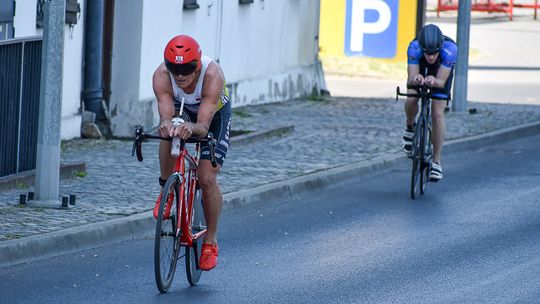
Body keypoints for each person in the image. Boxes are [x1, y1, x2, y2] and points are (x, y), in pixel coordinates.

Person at [152, 34, 232, 271]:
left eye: (187, 68)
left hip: (213, 115)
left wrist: (193, 128)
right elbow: (166, 115)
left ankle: (210, 240)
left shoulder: (212, 74)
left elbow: (204, 125)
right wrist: (168, 125)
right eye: (174, 68)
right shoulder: (161, 76)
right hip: (183, 109)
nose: (180, 74)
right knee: (169, 132)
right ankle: (166, 189)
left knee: (206, 177)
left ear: (197, 64)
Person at [402, 24, 457, 182]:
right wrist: (417, 78)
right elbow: (412, 76)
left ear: (440, 47)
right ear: (422, 48)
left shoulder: (449, 50)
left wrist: (435, 81)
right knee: (412, 97)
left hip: (441, 72)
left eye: (434, 53)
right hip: (421, 68)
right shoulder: (414, 47)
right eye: (427, 53)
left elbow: (441, 81)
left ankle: (436, 162)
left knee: (437, 113)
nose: (431, 57)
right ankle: (410, 126)